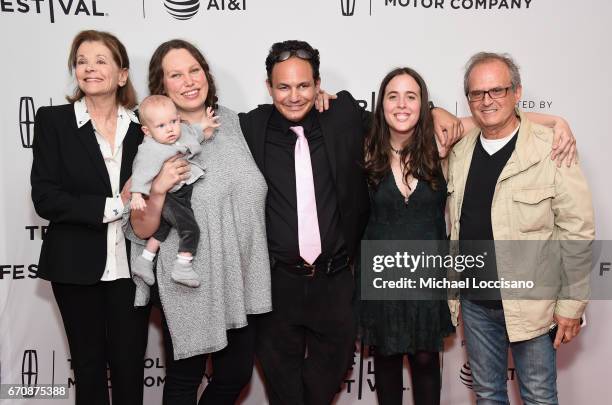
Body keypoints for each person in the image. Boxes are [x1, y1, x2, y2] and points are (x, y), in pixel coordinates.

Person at [237, 40, 464, 405]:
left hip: (336, 284)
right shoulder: (250, 126)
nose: (294, 96)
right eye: (283, 87)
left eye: (303, 85)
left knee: (323, 387)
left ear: (317, 85)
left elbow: (399, 119)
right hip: (277, 286)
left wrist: (436, 112)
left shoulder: (341, 114)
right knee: (284, 393)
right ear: (269, 87)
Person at [128, 39, 271, 405]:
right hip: (188, 280)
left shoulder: (237, 124)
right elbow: (141, 229)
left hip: (240, 276)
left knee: (236, 374)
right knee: (185, 378)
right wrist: (158, 188)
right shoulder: (155, 141)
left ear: (206, 74)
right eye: (176, 74)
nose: (189, 80)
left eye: (194, 70)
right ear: (162, 85)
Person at [447, 52, 594, 404]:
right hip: (475, 303)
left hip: (535, 304)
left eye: (497, 90)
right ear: (468, 100)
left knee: (540, 397)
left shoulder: (552, 149)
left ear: (517, 93)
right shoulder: (459, 151)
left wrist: (572, 305)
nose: (487, 100)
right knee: (487, 395)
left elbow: (577, 231)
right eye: (477, 94)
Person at [30, 30, 150, 405]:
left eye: (101, 60)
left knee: (130, 371)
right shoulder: (53, 121)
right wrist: (117, 205)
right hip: (75, 267)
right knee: (88, 371)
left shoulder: (145, 126)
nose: (90, 68)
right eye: (82, 61)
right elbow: (46, 197)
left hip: (132, 271)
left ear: (122, 74)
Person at [359, 67, 455, 405]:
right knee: (386, 360)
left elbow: (500, 120)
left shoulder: (441, 144)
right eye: (393, 96)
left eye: (411, 96)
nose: (402, 104)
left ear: (423, 104)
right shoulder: (365, 146)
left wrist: (556, 122)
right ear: (381, 103)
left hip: (427, 276)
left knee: (427, 360)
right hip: (381, 275)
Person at [130, 95, 219, 288]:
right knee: (190, 229)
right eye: (161, 126)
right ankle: (183, 266)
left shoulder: (180, 133)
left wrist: (204, 124)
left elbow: (193, 132)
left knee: (164, 227)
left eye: (173, 121)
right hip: (170, 196)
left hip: (181, 192)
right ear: (147, 130)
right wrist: (137, 194)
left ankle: (144, 260)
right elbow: (140, 171)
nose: (170, 128)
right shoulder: (150, 149)